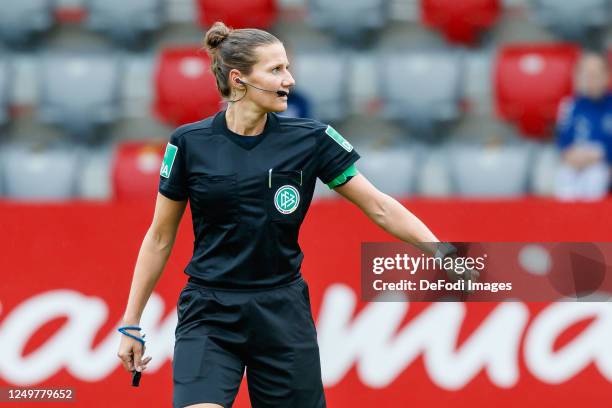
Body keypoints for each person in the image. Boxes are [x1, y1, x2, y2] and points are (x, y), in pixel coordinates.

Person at [116, 22, 475, 408]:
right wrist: (131, 323)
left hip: (282, 314)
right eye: (275, 70)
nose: (289, 79)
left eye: (286, 67)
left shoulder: (311, 139)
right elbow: (159, 236)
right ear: (239, 80)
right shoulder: (189, 143)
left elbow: (379, 205)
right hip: (209, 312)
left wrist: (443, 252)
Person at [555, 52, 612, 201]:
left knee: (594, 180)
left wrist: (602, 155)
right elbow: (562, 138)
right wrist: (568, 154)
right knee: (564, 181)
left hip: (603, 163)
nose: (591, 80)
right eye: (586, 74)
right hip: (575, 160)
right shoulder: (570, 105)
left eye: (596, 74)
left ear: (606, 75)